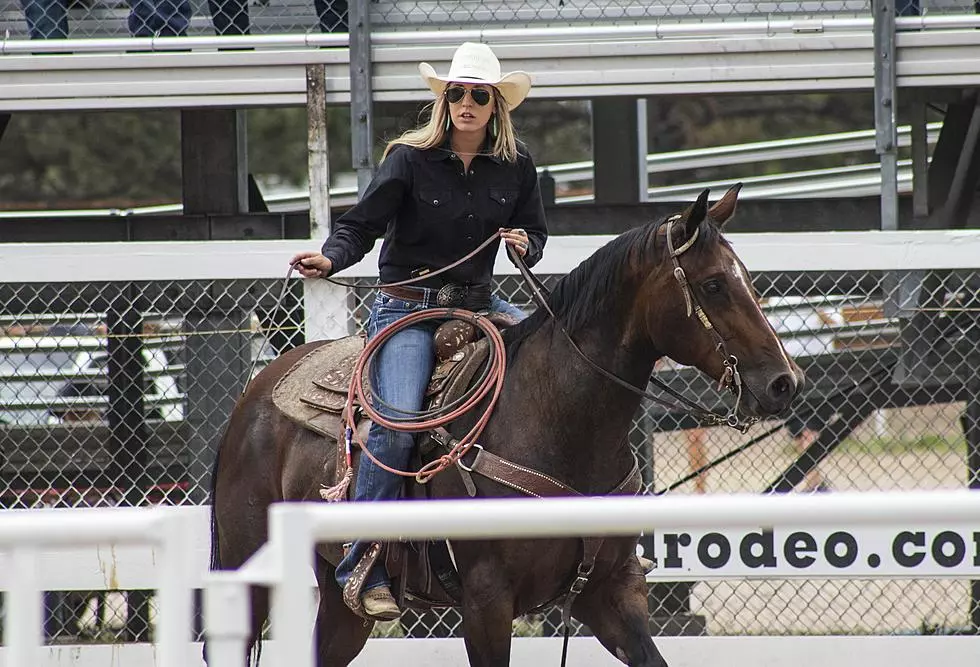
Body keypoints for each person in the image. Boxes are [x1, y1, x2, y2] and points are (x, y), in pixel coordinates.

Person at [290, 41, 548, 620]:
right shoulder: (408, 159)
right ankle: (363, 558)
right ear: (445, 99)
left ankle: (591, 539)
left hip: (478, 304)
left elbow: (535, 232)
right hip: (408, 306)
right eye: (456, 93)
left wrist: (525, 245)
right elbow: (363, 224)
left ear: (495, 106)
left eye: (479, 95)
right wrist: (332, 259)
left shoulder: (517, 167)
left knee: (557, 370)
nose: (466, 103)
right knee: (399, 421)